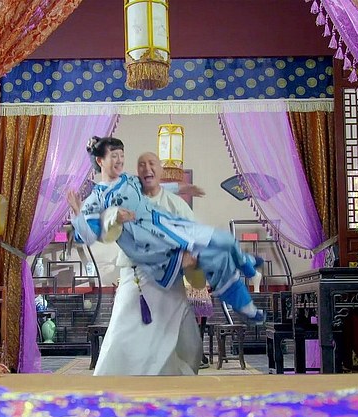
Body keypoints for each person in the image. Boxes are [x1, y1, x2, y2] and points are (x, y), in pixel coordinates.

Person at [68, 136, 266, 324]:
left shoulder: (129, 179)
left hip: (166, 223)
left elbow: (153, 187)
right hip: (149, 243)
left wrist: (182, 188)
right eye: (114, 156)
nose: (119, 160)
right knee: (216, 259)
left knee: (224, 239)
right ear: (100, 160)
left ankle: (245, 264)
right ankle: (247, 308)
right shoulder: (97, 198)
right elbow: (89, 236)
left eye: (121, 155)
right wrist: (78, 214)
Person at [92, 151, 203, 375]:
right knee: (124, 340)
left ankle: (173, 388)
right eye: (141, 164)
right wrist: (115, 217)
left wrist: (193, 258)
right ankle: (114, 386)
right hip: (136, 281)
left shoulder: (176, 204)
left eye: (152, 163)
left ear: (160, 170)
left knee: (189, 346)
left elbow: (196, 240)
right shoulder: (127, 199)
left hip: (170, 283)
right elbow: (105, 228)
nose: (147, 168)